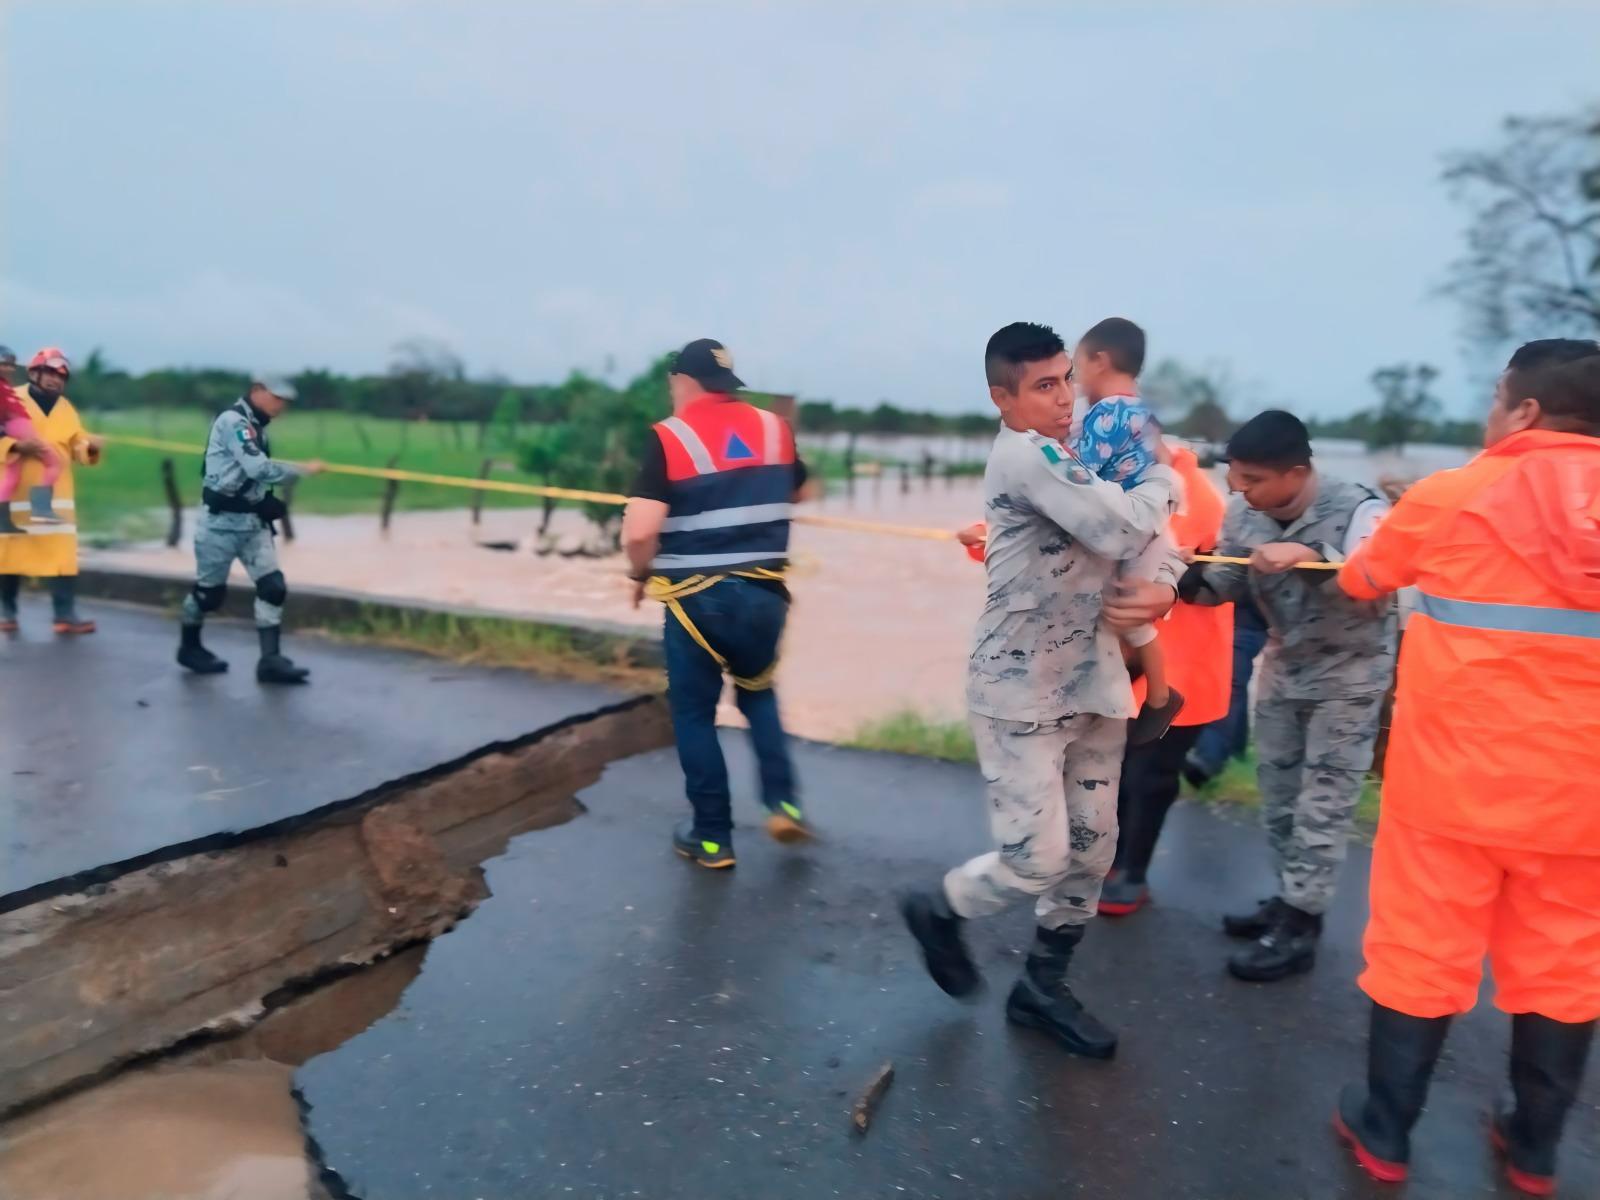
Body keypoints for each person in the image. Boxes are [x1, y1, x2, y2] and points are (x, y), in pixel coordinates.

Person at [1330, 341, 1600, 1195]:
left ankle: (1385, 1132)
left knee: (1421, 951)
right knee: (1566, 967)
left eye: (1494, 398)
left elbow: (1361, 579)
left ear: (1525, 411)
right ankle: (1534, 1149)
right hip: (1585, 801)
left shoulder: (1453, 493)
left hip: (1449, 789)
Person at [900, 322, 1180, 1059]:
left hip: (1094, 683)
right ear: (1003, 398)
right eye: (1044, 386)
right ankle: (941, 907)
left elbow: (1159, 549)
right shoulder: (1026, 457)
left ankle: (1043, 988)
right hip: (1019, 692)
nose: (1064, 398)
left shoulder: (1086, 447)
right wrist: (1166, 474)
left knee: (1091, 851)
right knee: (1036, 859)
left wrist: (1164, 590)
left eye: (1066, 380)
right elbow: (1121, 530)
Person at [1181, 410, 1394, 982]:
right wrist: (1179, 573)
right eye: (1234, 476)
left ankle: (1302, 925)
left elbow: (1377, 586)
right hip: (1285, 666)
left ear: (1296, 473)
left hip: (1350, 674)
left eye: (1252, 479)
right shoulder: (1243, 514)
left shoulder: (1362, 510)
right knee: (1278, 793)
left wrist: (1311, 558)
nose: (1238, 489)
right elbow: (1221, 585)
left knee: (1324, 802)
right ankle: (1289, 898)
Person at [622, 338, 811, 870]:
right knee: (758, 692)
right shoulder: (775, 428)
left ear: (681, 382)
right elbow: (798, 490)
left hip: (696, 602)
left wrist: (639, 574)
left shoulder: (670, 436)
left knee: (694, 714)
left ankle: (711, 839)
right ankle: (784, 805)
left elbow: (640, 532)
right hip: (765, 595)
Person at [1099, 441, 1234, 915]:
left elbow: (1160, 562)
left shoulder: (1197, 497)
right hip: (1124, 661)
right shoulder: (1110, 477)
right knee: (1113, 769)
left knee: (1150, 774)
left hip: (1183, 666)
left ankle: (1132, 873)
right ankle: (1108, 861)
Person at [1069, 317, 1186, 743]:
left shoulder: (1107, 413)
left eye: (1077, 366)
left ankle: (1156, 697)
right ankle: (1152, 695)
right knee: (1123, 614)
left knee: (1121, 613)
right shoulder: (1145, 415)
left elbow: (1076, 473)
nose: (1075, 380)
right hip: (1150, 529)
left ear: (1099, 361)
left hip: (1129, 533)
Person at [176, 373, 324, 683]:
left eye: (285, 401)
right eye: (277, 397)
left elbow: (251, 476)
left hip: (253, 525)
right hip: (219, 525)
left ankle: (270, 661)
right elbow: (258, 468)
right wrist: (303, 471)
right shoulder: (234, 422)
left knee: (273, 587)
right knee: (208, 596)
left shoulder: (257, 427)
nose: (281, 405)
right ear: (257, 390)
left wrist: (263, 502)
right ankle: (189, 647)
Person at [0, 347, 104, 635]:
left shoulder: (66, 409)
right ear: (34, 373)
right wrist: (16, 446)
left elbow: (77, 442)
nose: (55, 380)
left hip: (55, 499)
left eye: (61, 376)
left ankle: (65, 615)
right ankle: (5, 613)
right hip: (16, 495)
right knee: (8, 556)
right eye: (49, 373)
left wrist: (90, 447)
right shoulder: (10, 398)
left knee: (62, 557)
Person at [1181, 593, 1266, 786]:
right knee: (1232, 683)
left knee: (1226, 685)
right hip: (1231, 614)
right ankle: (1235, 749)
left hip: (1242, 617)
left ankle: (1207, 760)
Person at [0, 353, 66, 532]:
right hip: (19, 428)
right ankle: (41, 508)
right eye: (4, 364)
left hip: (15, 430)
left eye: (11, 365)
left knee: (12, 475)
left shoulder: (6, 386)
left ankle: (3, 521)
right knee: (53, 461)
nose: (8, 369)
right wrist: (11, 441)